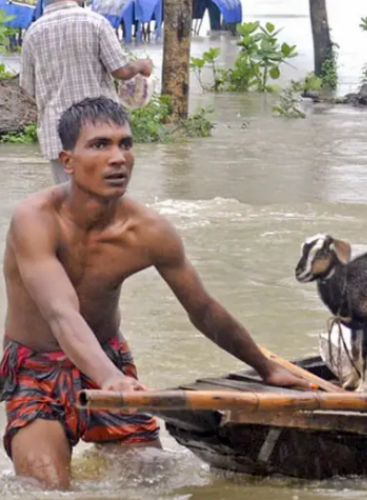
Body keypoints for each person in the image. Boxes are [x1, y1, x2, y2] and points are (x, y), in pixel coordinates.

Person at [1, 97, 315, 490]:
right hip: (37, 369)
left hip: (108, 356)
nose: (118, 158)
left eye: (125, 144)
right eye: (100, 145)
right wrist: (111, 379)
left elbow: (202, 309)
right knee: (46, 489)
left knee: (156, 485)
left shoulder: (149, 232)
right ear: (67, 161)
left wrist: (267, 368)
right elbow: (60, 313)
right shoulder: (35, 219)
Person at [19, 0, 153, 185]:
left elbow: (27, 88)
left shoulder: (33, 33)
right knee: (110, 201)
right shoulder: (96, 22)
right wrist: (142, 65)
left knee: (70, 200)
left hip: (57, 135)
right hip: (101, 132)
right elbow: (121, 71)